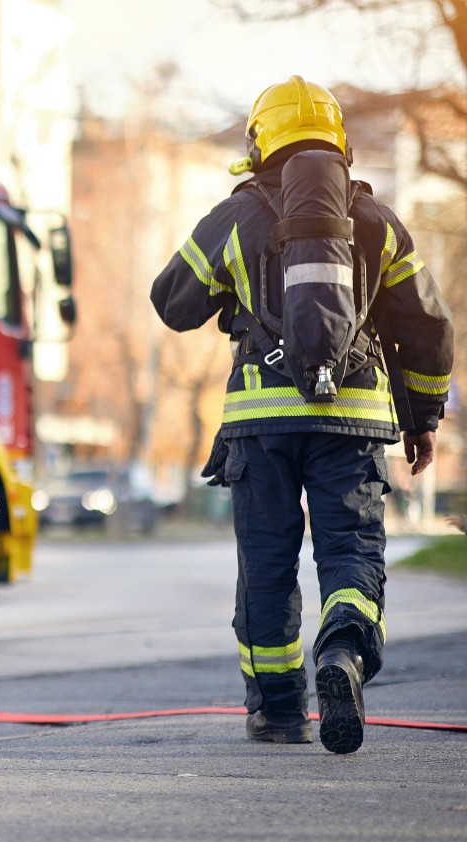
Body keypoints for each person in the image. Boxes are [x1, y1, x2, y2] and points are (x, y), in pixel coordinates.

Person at [151, 77, 454, 753]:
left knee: (267, 565)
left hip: (261, 425)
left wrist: (236, 285)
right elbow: (430, 325)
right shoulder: (375, 223)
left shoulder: (239, 218)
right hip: (353, 422)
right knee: (349, 553)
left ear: (262, 141)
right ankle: (342, 652)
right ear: (338, 139)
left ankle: (278, 711)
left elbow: (172, 301)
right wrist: (422, 416)